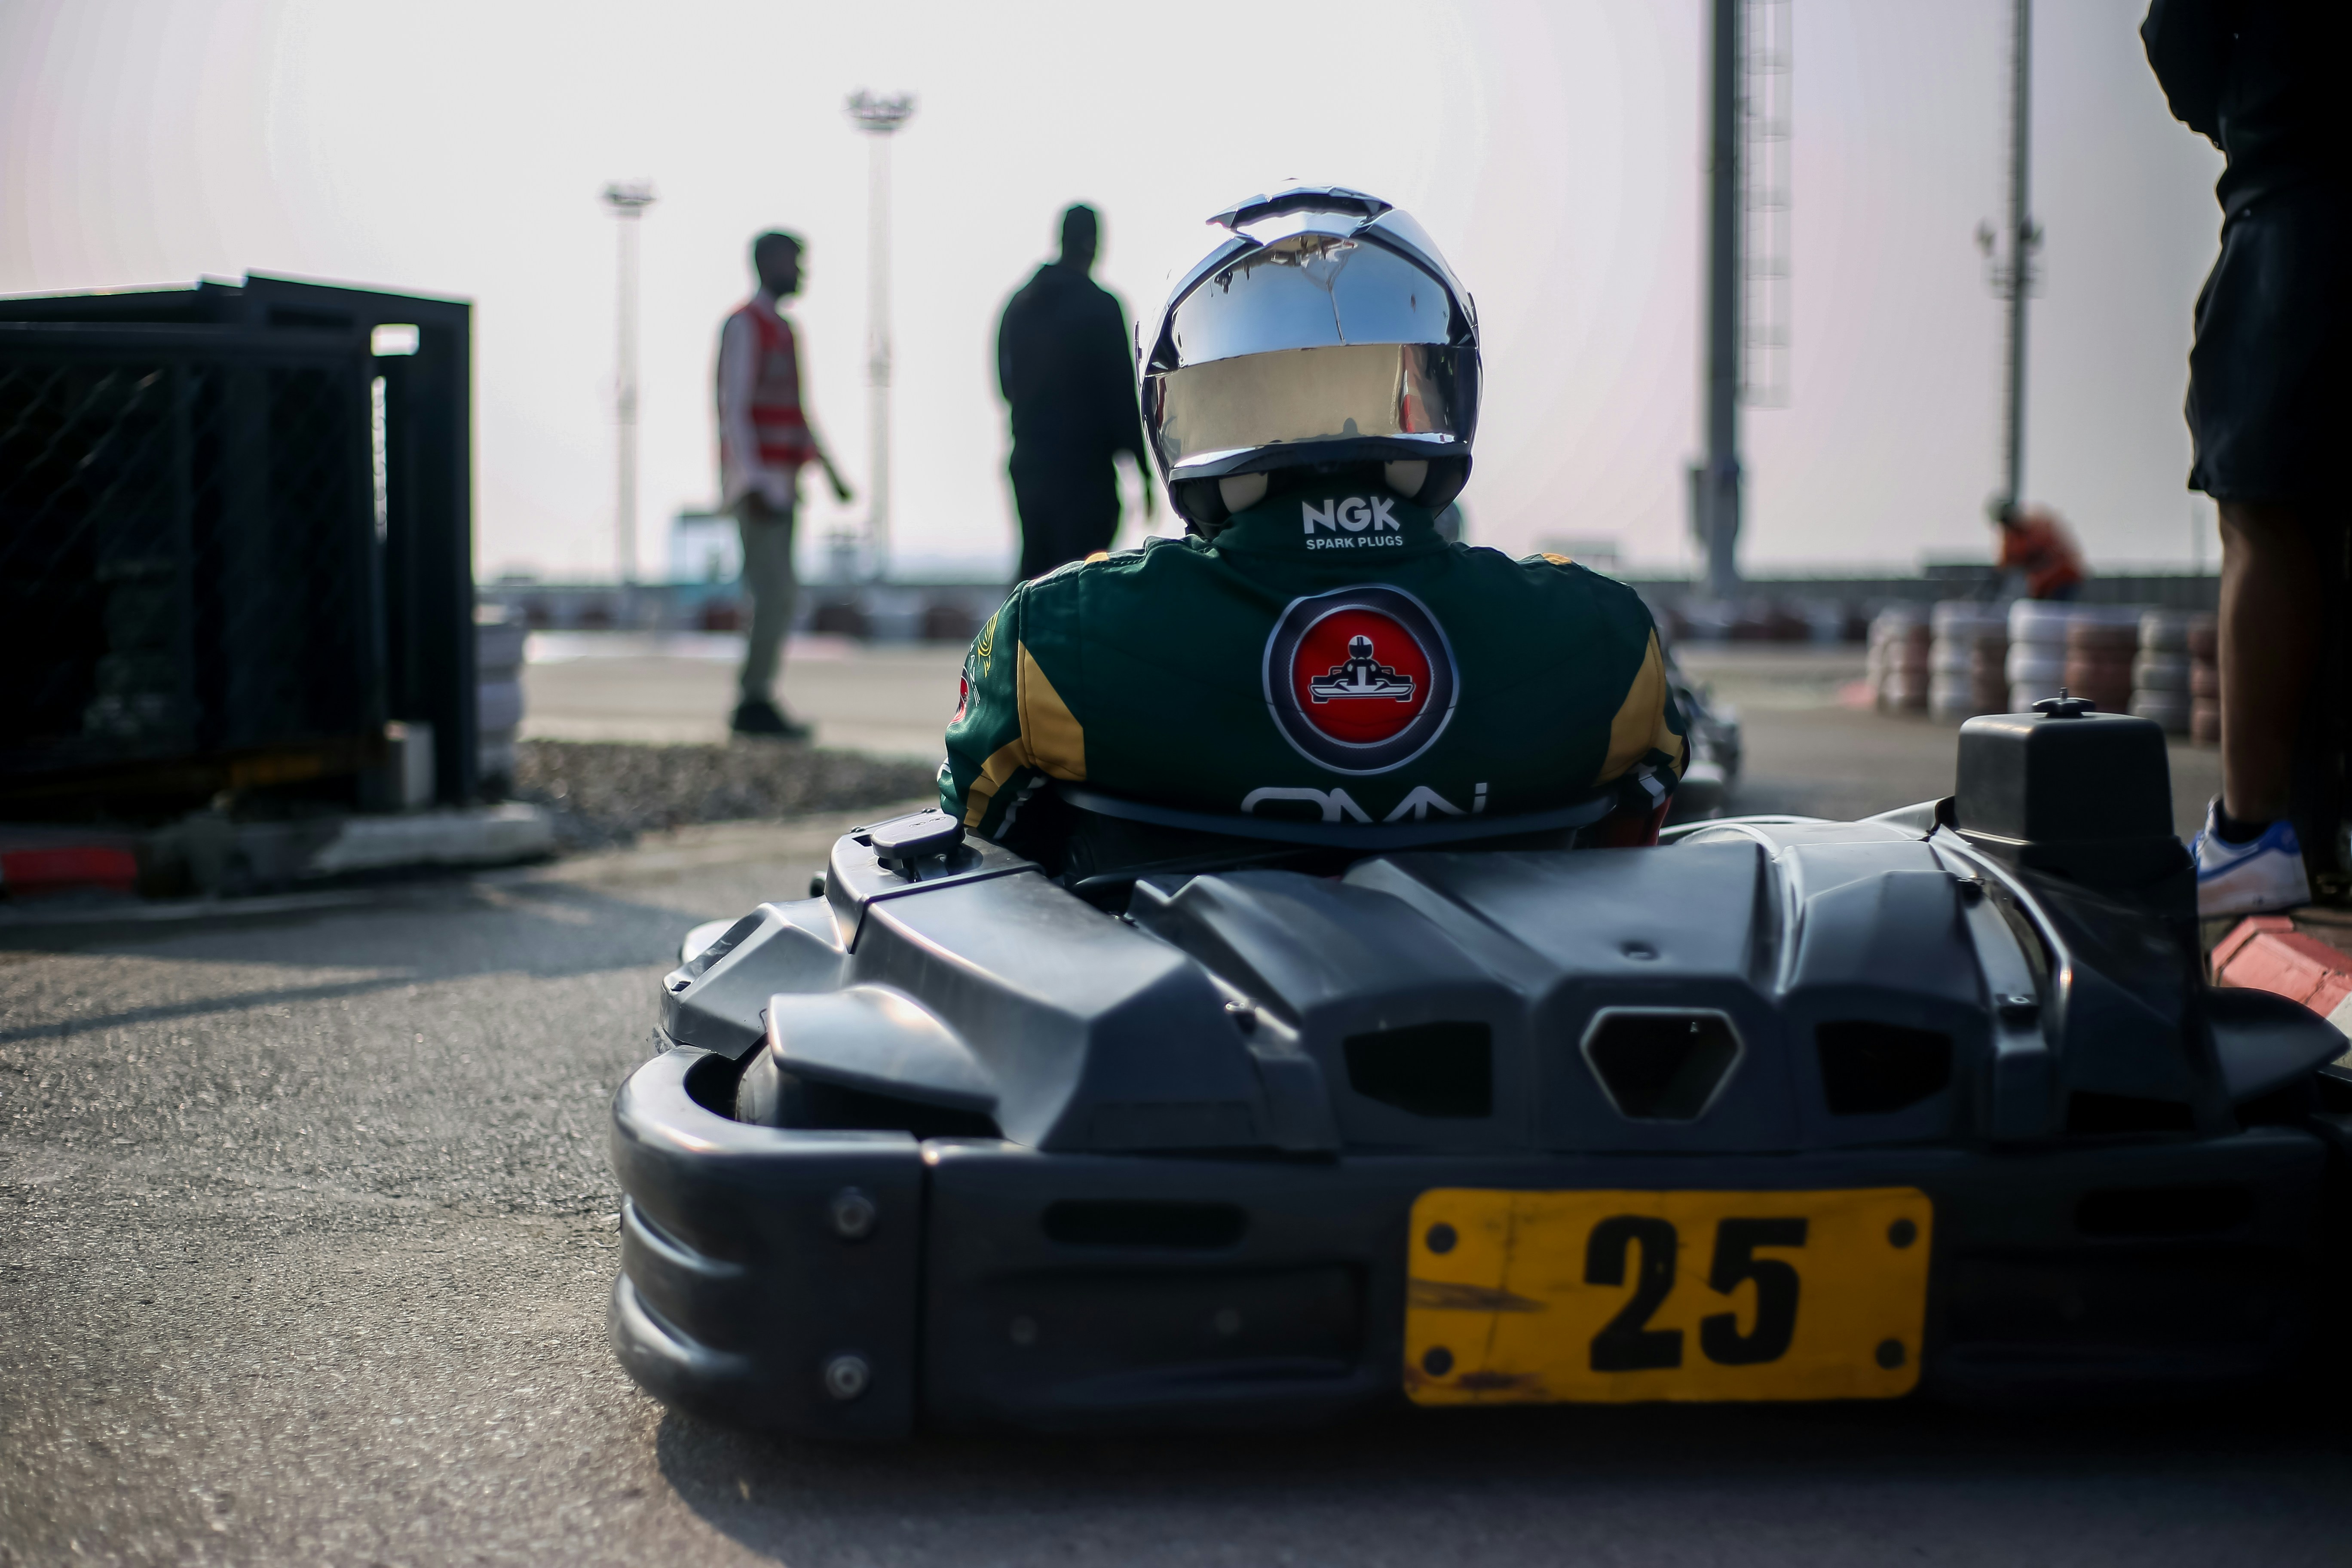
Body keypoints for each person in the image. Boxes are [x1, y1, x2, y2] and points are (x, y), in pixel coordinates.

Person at [942, 188, 1684, 876]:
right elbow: (1627, 862)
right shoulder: (1609, 643)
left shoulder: (1051, 642)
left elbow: (978, 868)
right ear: (1449, 387)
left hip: (1172, 987)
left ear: (1176, 407)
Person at [2144, 0, 2351, 915]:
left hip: (2300, 194)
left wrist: (2253, 111)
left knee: (2266, 513)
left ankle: (2254, 831)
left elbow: (2178, 35)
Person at [716, 230, 853, 738]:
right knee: (772, 595)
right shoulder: (745, 326)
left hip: (783, 485)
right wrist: (751, 482)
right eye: (794, 263)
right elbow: (734, 408)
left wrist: (830, 472)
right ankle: (753, 700)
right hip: (759, 489)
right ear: (769, 262)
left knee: (782, 596)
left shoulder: (786, 332)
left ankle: (758, 694)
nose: (801, 273)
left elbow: (796, 411)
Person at [996, 204, 1155, 581]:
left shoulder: (1019, 305)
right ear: (1095, 245)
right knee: (1082, 580)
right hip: (1086, 478)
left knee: (1034, 577)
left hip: (1030, 468)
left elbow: (1004, 387)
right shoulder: (1102, 308)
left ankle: (1021, 624)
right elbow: (1122, 397)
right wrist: (1144, 472)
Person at [1987, 500, 2084, 602]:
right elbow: (2006, 563)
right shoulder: (2012, 538)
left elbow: (2061, 559)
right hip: (2037, 586)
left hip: (2063, 581)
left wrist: (2040, 580)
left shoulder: (2039, 528)